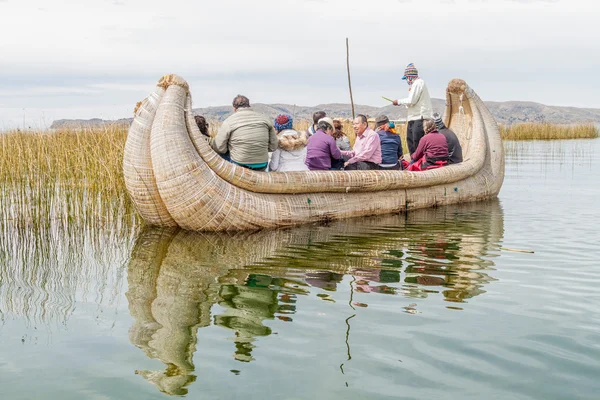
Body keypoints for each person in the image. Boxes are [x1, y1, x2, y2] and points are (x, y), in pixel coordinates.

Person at [210, 95, 278, 171]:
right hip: (262, 164)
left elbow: (219, 148)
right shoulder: (266, 120)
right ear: (249, 105)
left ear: (235, 109)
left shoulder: (229, 121)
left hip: (239, 164)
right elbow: (274, 146)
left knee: (221, 154)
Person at [392, 63, 433, 155]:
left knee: (417, 142)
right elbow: (412, 103)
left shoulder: (418, 83)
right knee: (410, 141)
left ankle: (420, 162)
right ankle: (414, 161)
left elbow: (412, 101)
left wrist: (398, 101)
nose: (407, 80)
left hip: (420, 117)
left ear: (410, 76)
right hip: (413, 117)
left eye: (407, 78)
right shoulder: (414, 85)